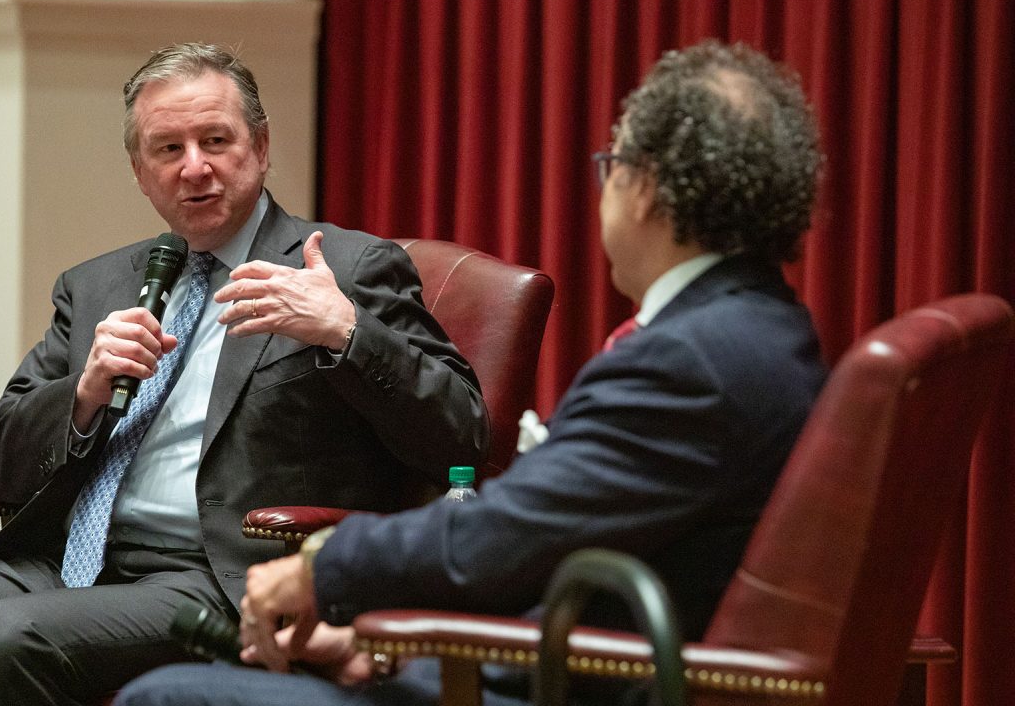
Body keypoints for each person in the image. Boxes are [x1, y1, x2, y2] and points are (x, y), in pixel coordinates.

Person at [113, 39, 830, 706]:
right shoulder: (770, 333)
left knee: (167, 697)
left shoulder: (688, 362)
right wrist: (383, 647)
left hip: (568, 680)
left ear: (641, 189)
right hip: (541, 654)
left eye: (611, 165)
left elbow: (506, 536)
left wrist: (319, 569)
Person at [0, 43, 488, 705]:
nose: (195, 168)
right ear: (140, 171)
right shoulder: (97, 285)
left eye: (216, 141)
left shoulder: (343, 268)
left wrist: (345, 333)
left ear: (260, 146)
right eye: (169, 149)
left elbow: (462, 436)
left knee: (14, 635)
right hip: (67, 564)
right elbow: (3, 459)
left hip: (221, 577)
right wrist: (83, 394)